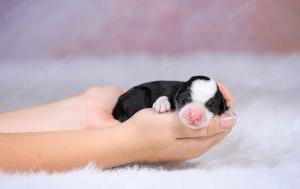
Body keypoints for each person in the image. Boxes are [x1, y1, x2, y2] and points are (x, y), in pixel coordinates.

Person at [0, 82, 236, 172]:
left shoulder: (180, 93)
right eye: (188, 101)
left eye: (210, 106)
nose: (195, 114)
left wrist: (85, 111)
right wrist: (125, 142)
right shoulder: (169, 95)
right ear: (179, 95)